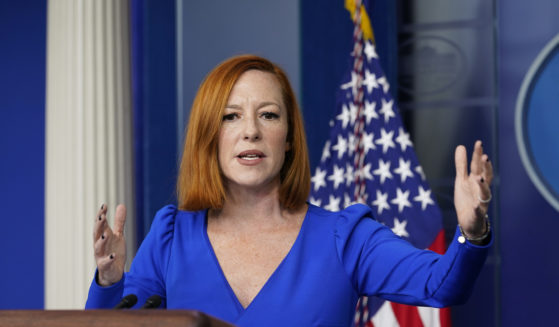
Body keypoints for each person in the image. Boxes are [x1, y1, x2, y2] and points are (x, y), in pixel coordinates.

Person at [86, 55, 493, 326]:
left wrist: (471, 231)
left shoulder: (346, 237)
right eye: (231, 116)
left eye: (268, 115)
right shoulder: (171, 235)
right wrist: (109, 281)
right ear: (209, 136)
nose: (251, 131)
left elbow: (442, 284)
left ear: (289, 139)